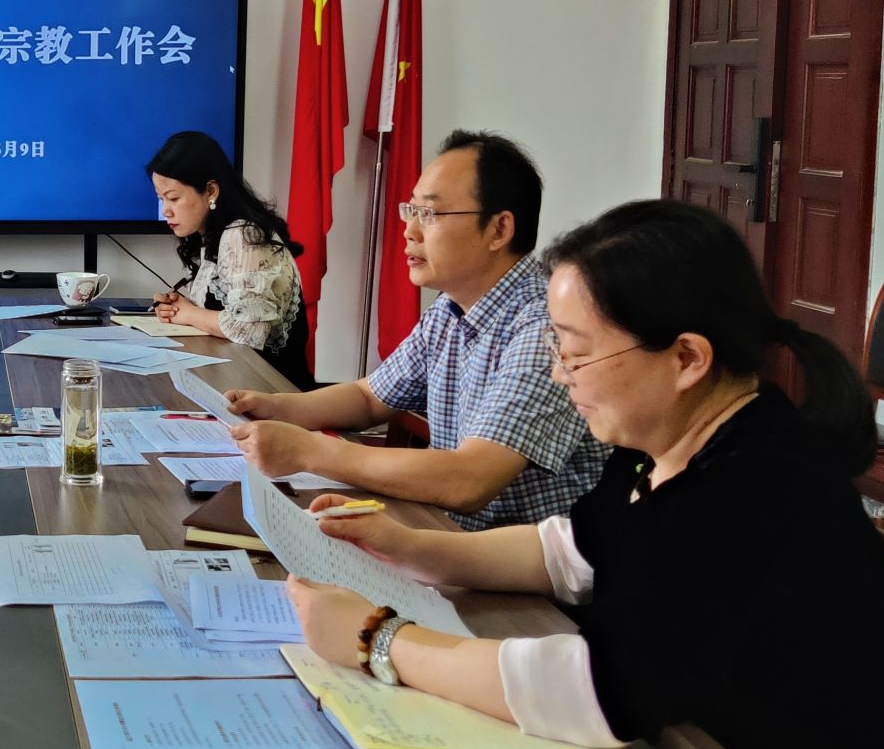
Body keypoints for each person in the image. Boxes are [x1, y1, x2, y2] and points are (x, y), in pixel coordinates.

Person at [284, 199, 884, 749]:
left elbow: (596, 692)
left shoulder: (756, 484)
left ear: (686, 359)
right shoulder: (661, 447)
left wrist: (379, 638)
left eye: (576, 352)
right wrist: (410, 546)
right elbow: (569, 551)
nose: (560, 374)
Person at [231, 131, 605, 527]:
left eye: (430, 214)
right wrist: (276, 408)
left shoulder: (546, 327)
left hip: (512, 559)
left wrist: (311, 452)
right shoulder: (450, 308)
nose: (409, 230)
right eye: (411, 210)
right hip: (445, 534)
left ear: (499, 230)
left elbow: (471, 480)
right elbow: (369, 398)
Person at [146, 131, 312, 389]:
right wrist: (181, 307)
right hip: (239, 381)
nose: (165, 210)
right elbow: (224, 312)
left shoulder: (242, 235)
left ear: (210, 191)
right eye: (161, 199)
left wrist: (190, 314)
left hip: (274, 392)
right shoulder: (212, 235)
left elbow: (249, 329)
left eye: (174, 198)